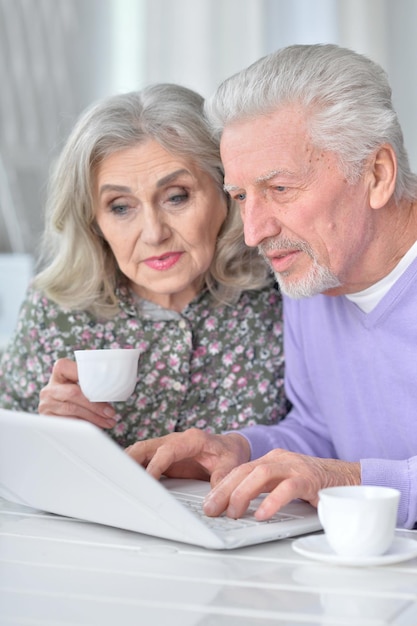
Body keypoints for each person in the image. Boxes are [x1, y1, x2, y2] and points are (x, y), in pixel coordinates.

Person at [126, 44, 417, 530]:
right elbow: (321, 432)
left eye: (280, 189)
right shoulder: (313, 268)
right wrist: (236, 449)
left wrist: (340, 480)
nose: (254, 231)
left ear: (378, 174)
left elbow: (337, 467)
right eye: (241, 196)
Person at [0, 83, 289, 448]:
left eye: (176, 197)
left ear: (226, 193)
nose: (153, 233)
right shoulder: (55, 309)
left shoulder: (280, 293)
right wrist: (45, 436)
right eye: (121, 207)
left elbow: (323, 438)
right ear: (94, 222)